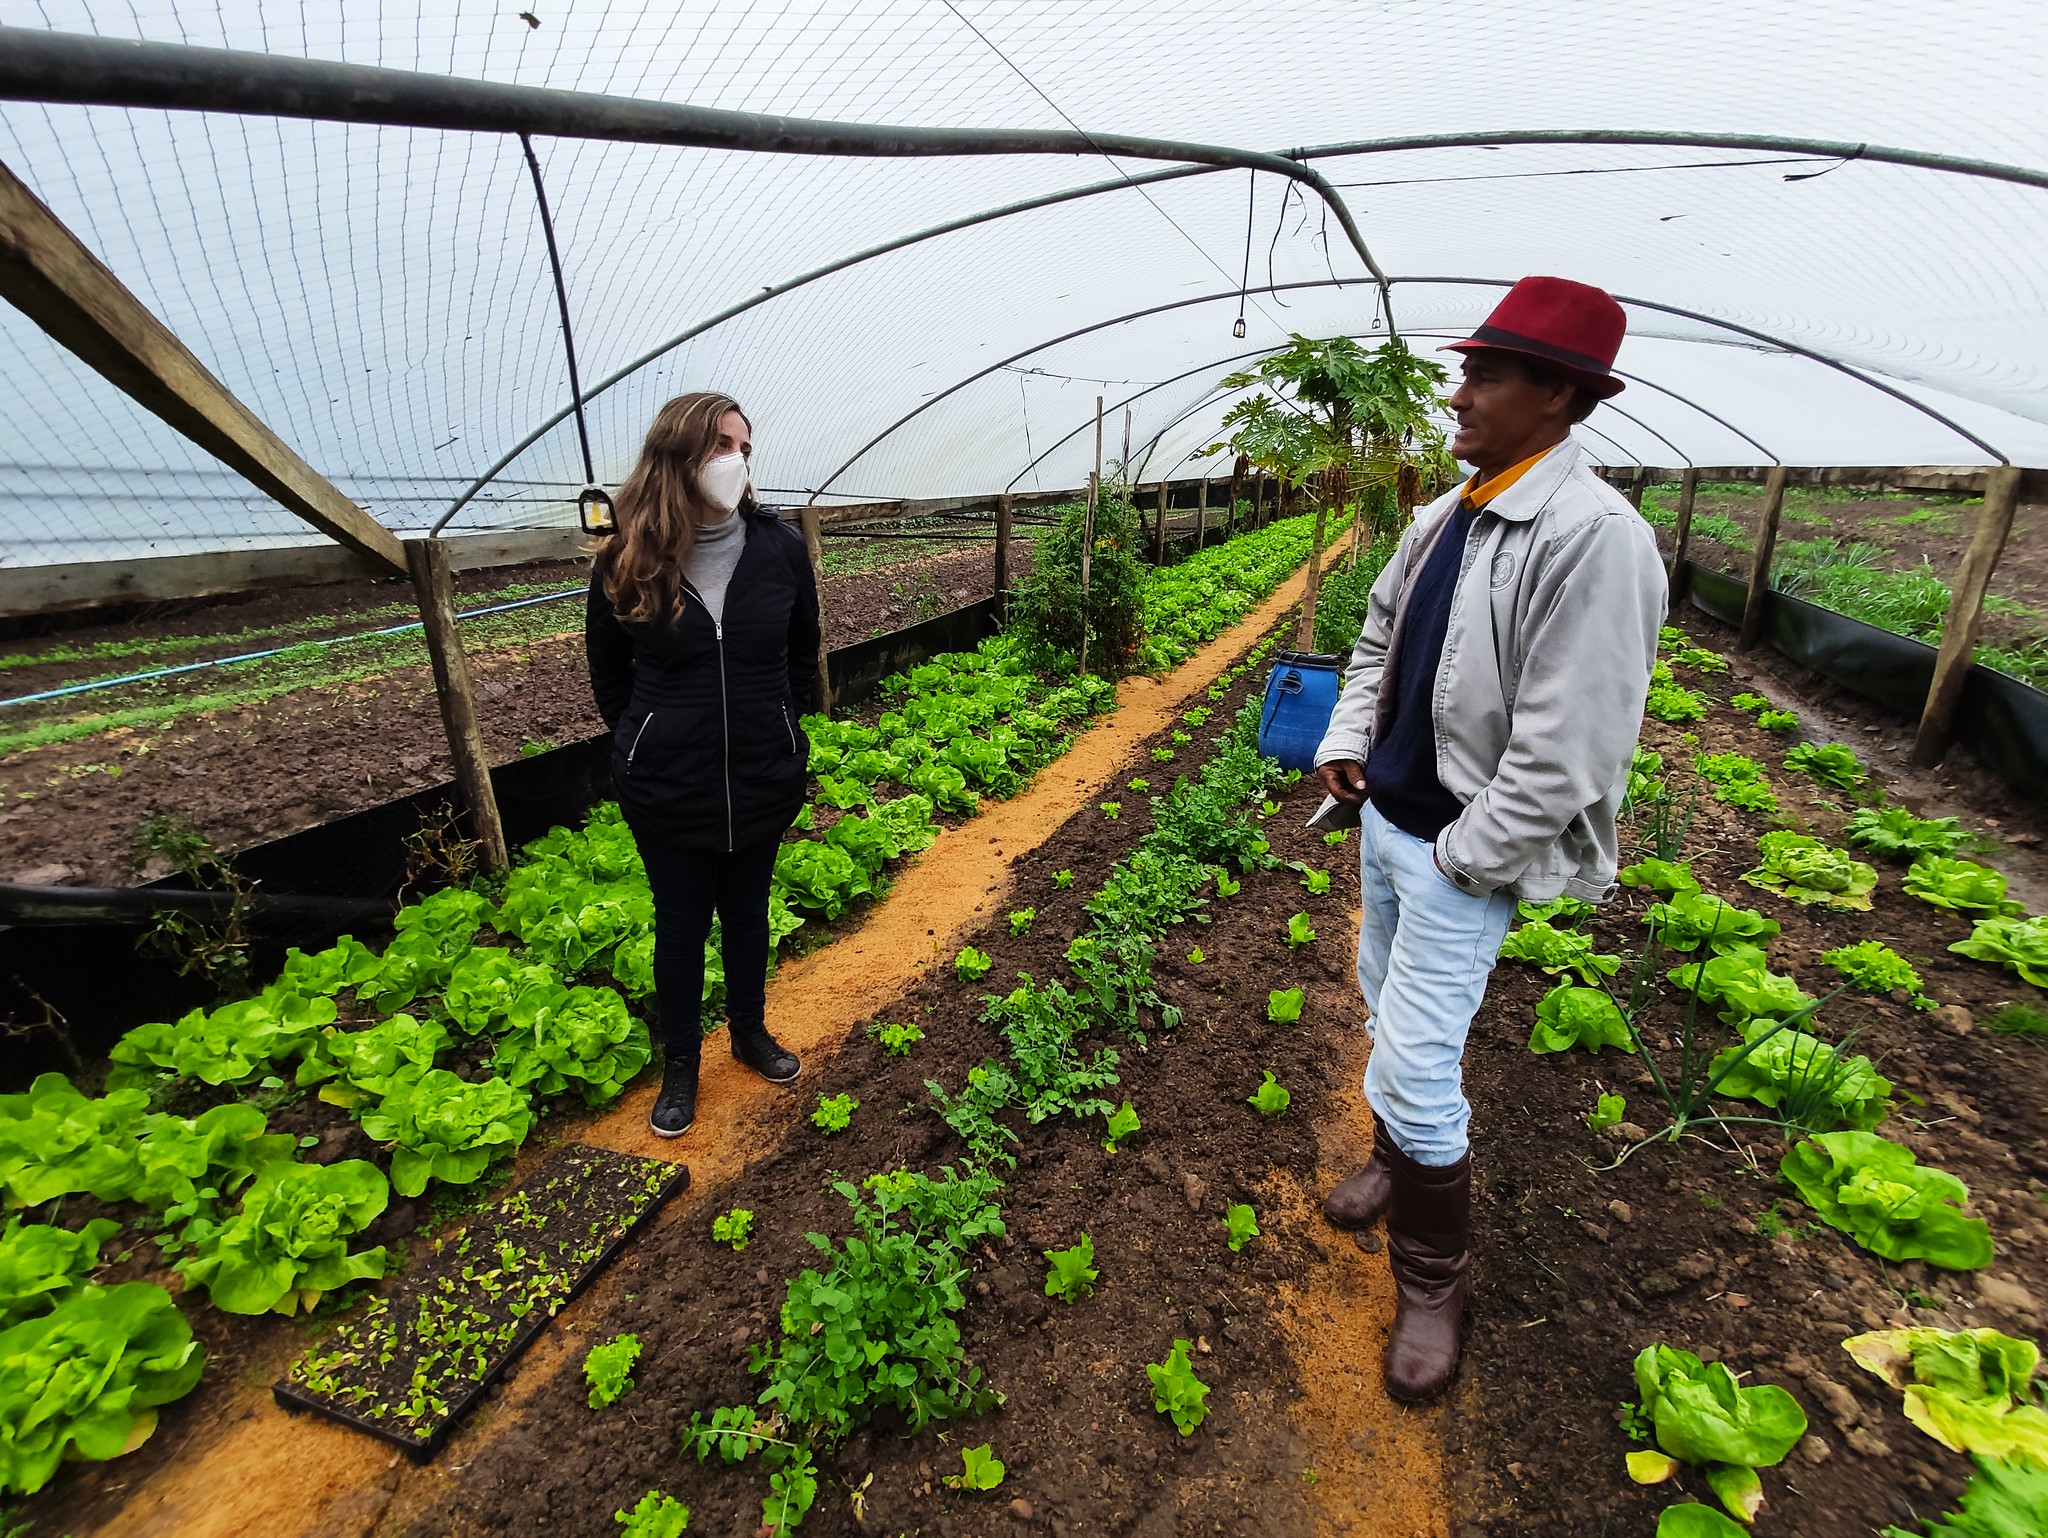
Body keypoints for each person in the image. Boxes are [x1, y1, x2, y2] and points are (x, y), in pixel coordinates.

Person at [1310, 276, 1667, 1400]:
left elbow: (1571, 750)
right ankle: (1384, 1162)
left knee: (1417, 1063)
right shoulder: (1446, 512)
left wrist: (1465, 857)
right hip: (1388, 820)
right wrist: (1346, 736)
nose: (1458, 394)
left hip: (1462, 850)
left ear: (1557, 394)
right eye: (1465, 370)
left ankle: (1432, 1277)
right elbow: (1373, 638)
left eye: (1487, 375)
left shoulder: (1593, 538)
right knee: (1381, 1005)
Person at [586, 391, 821, 1139]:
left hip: (760, 772)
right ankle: (681, 1063)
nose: (737, 460)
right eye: (723, 445)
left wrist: (781, 729)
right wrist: (646, 741)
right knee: (681, 925)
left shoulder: (779, 549)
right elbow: (608, 674)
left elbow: (799, 650)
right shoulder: (628, 556)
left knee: (749, 916)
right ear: (679, 454)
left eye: (744, 448)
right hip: (668, 786)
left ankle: (748, 1032)